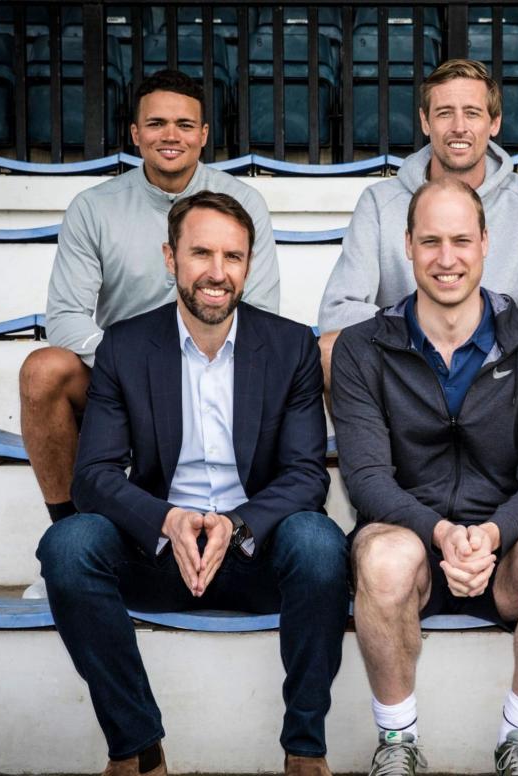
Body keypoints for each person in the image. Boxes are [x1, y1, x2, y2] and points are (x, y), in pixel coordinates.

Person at [37, 191, 347, 776]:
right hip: (158, 551)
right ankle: (137, 747)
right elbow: (94, 476)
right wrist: (167, 519)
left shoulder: (289, 347)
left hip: (255, 552)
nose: (216, 272)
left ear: (249, 266)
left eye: (232, 256)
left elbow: (306, 475)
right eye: (200, 252)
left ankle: (306, 750)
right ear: (170, 257)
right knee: (68, 546)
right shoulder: (126, 346)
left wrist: (238, 523)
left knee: (319, 542)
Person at [331, 178, 518, 776]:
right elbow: (367, 480)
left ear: (485, 243)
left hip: (507, 551)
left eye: (460, 241)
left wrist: (492, 535)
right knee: (383, 558)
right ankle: (397, 744)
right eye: (430, 242)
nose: (445, 259)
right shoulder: (361, 348)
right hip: (412, 544)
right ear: (407, 247)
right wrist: (442, 532)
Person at [19, 70, 281, 598]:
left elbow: (262, 311)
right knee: (42, 369)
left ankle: (252, 537)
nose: (171, 135)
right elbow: (66, 317)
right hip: (122, 384)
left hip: (217, 370)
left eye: (185, 124)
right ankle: (73, 540)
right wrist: (133, 363)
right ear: (135, 133)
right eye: (156, 123)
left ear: (204, 134)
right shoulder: (94, 208)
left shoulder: (242, 202)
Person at [317, 58, 518, 388]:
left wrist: (501, 335)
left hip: (503, 369)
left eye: (472, 112)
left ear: (494, 123)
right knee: (328, 350)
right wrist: (423, 331)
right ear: (425, 121)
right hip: (409, 368)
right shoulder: (380, 202)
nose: (459, 126)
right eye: (444, 113)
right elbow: (337, 311)